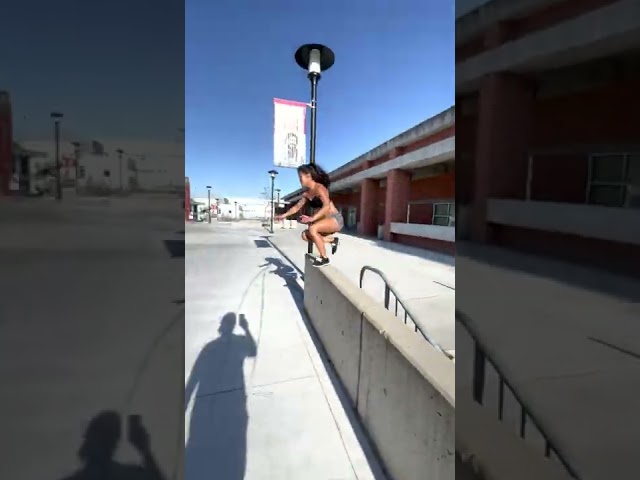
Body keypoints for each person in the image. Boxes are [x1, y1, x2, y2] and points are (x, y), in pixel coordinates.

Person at [275, 164, 344, 267]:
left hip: (334, 219)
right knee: (305, 235)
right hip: (324, 220)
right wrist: (284, 215)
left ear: (308, 176)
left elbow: (326, 207)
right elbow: (297, 207)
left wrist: (312, 218)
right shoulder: (306, 193)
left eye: (300, 177)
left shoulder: (320, 188)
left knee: (313, 228)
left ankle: (324, 259)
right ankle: (332, 240)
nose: (299, 180)